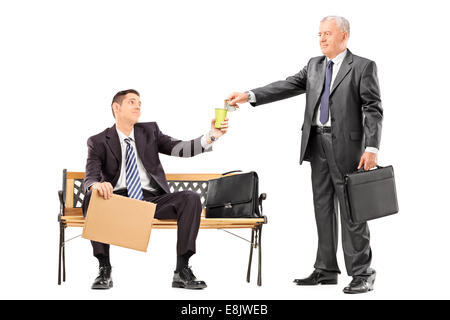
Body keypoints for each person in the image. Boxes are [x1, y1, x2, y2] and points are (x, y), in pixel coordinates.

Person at [227, 16, 382, 294]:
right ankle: (325, 269)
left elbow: (373, 108)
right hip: (316, 144)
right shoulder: (314, 66)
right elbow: (286, 85)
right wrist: (249, 95)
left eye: (328, 34)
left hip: (348, 149)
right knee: (322, 206)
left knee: (352, 210)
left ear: (344, 36)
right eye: (319, 34)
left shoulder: (362, 66)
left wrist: (372, 147)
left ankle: (362, 272)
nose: (322, 39)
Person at [82, 89, 228, 290]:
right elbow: (90, 174)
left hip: (151, 201)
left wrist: (212, 136)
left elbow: (180, 149)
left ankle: (182, 270)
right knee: (92, 197)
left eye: (140, 102)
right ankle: (104, 268)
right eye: (132, 102)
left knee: (191, 197)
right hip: (117, 202)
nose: (138, 106)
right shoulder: (98, 141)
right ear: (116, 108)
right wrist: (96, 184)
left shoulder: (149, 131)